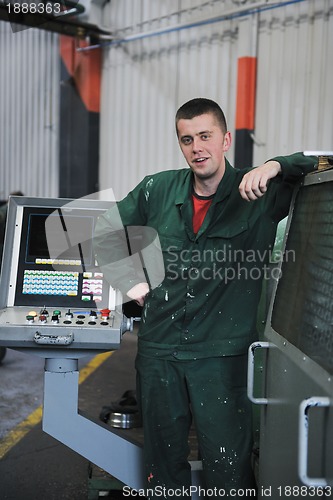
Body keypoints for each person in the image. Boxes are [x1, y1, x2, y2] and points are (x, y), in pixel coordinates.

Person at [93, 98, 317, 497]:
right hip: (159, 350)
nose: (197, 147)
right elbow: (102, 227)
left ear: (225, 139)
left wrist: (275, 164)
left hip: (221, 357)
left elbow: (320, 163)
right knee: (162, 463)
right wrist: (130, 282)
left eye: (205, 136)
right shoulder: (158, 188)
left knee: (227, 462)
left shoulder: (260, 190)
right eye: (186, 139)